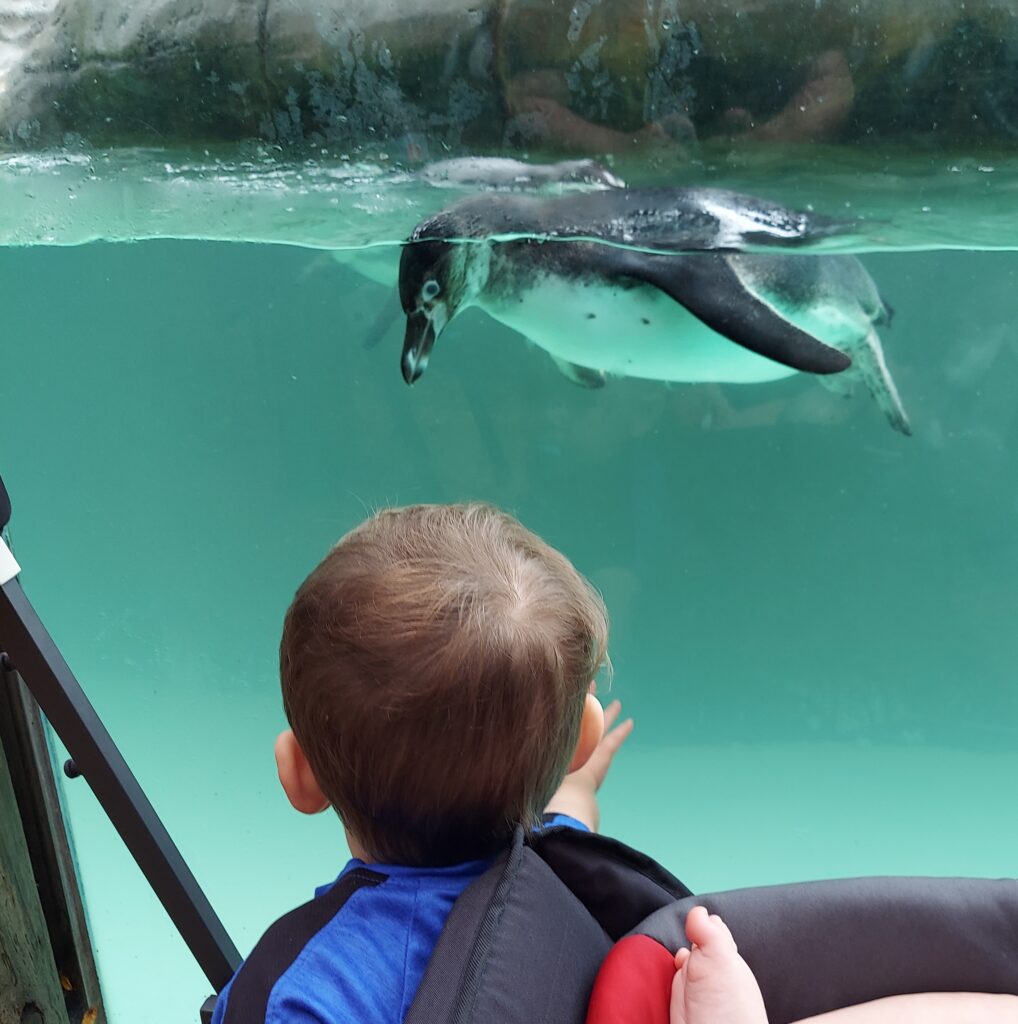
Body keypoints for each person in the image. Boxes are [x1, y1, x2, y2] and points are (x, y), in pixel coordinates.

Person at [212, 503, 1017, 1024]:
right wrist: (577, 792)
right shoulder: (558, 879)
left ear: (299, 777)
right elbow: (556, 830)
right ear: (583, 738)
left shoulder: (320, 989)